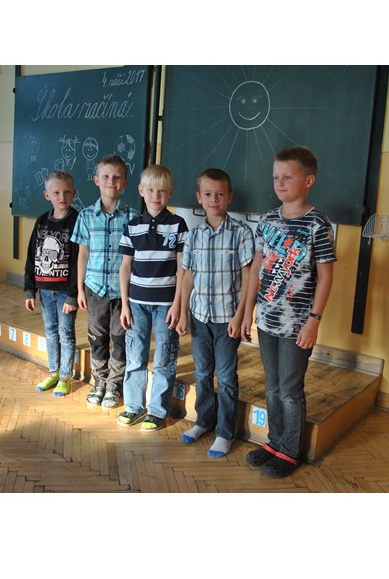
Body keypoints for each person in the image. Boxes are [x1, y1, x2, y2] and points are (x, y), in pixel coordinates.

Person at [240, 146, 336, 478]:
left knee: (290, 390)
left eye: (288, 177)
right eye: (276, 177)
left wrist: (314, 321)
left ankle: (290, 452)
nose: (279, 183)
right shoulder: (267, 220)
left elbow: (326, 276)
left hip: (297, 325)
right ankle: (275, 443)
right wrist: (248, 312)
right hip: (267, 320)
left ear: (308, 181)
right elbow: (256, 269)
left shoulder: (317, 223)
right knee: (272, 386)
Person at [176, 169, 254, 458]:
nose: (214, 199)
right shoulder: (194, 235)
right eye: (208, 194)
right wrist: (182, 313)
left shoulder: (241, 233)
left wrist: (240, 316)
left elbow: (248, 277)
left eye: (220, 194)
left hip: (227, 319)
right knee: (202, 372)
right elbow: (187, 277)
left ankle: (224, 432)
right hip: (200, 317)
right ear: (199, 197)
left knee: (226, 376)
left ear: (229, 196)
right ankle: (204, 421)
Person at [117, 164, 188, 431]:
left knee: (164, 357)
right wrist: (124, 304)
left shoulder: (178, 225)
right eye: (150, 190)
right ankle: (134, 406)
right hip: (136, 304)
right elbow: (125, 267)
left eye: (161, 191)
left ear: (170, 193)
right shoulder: (132, 226)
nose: (155, 196)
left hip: (166, 304)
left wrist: (178, 305)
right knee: (136, 356)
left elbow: (182, 268)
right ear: (140, 191)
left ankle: (157, 410)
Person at [71, 155, 138, 408]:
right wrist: (80, 289)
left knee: (119, 339)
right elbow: (83, 254)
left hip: (122, 292)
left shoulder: (133, 217)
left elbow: (134, 259)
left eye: (117, 177)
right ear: (96, 180)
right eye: (106, 176)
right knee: (97, 338)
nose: (111, 181)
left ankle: (114, 385)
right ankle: (99, 381)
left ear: (125, 183)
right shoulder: (86, 216)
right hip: (95, 289)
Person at [24, 170, 80, 397]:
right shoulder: (41, 221)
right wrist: (30, 289)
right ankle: (53, 371)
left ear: (74, 193)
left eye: (66, 192)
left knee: (66, 334)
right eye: (56, 192)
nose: (62, 197)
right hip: (45, 290)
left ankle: (65, 376)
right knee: (50, 332)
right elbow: (32, 256)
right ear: (47, 195)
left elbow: (79, 262)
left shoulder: (77, 221)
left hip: (66, 292)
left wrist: (74, 295)